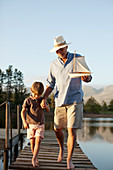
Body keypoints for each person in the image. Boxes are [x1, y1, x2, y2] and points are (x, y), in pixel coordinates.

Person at [43, 36, 92, 169]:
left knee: (71, 130)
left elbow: (88, 77)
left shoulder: (77, 58)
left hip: (75, 100)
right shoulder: (53, 64)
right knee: (57, 129)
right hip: (59, 101)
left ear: (66, 47)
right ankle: (62, 149)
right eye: (57, 50)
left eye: (61, 48)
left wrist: (86, 77)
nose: (60, 51)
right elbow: (50, 84)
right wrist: (44, 98)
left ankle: (69, 159)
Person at [21, 82, 50, 167]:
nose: (37, 96)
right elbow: (22, 112)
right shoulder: (28, 100)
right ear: (32, 91)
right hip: (30, 125)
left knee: (38, 141)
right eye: (36, 94)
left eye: (39, 95)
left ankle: (34, 158)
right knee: (32, 142)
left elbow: (48, 110)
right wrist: (24, 122)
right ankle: (35, 156)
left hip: (40, 124)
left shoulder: (42, 100)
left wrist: (45, 106)